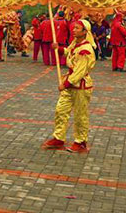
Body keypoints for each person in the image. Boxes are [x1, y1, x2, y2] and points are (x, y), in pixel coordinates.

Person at [42, 19, 96, 152]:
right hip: (70, 84)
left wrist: (65, 84)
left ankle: (80, 141)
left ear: (85, 32)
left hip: (80, 86)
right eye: (74, 28)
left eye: (77, 28)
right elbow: (69, 52)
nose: (74, 30)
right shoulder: (76, 43)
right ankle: (59, 138)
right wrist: (59, 49)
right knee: (61, 110)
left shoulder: (86, 50)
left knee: (80, 114)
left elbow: (79, 72)